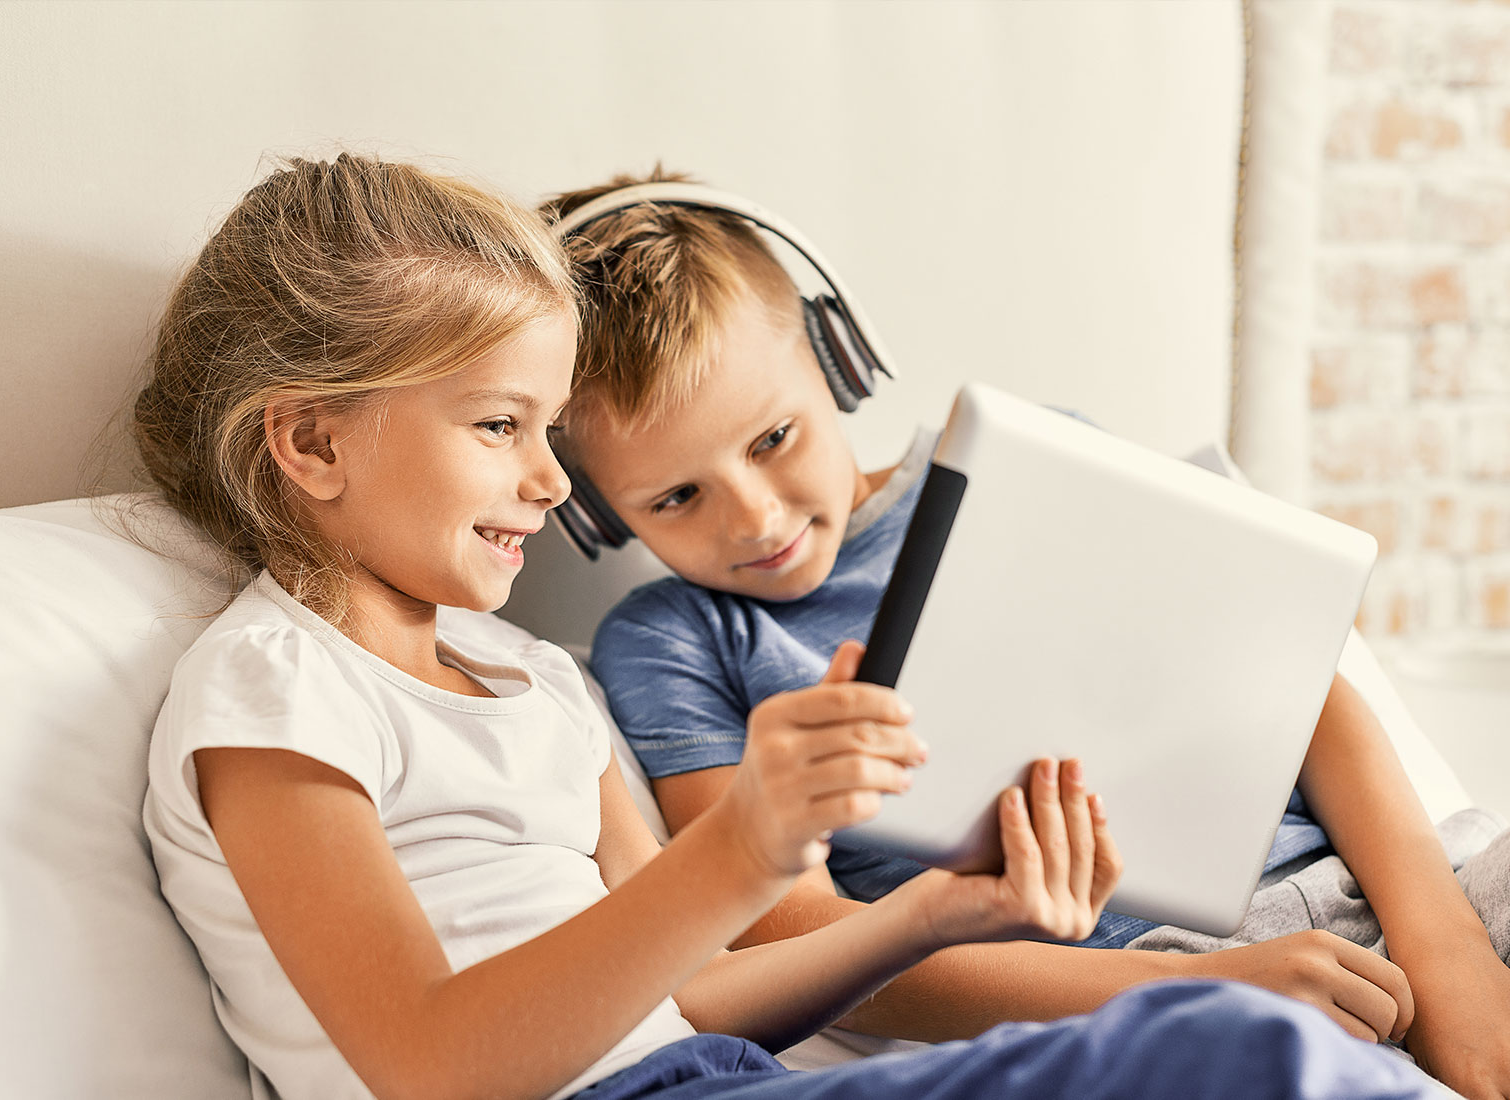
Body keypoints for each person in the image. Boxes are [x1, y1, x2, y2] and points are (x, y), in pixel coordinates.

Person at [129, 153, 1440, 1100]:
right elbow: (430, 1068)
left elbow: (691, 997)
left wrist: (934, 909)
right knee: (1244, 1052)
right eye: (500, 427)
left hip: (710, 1069)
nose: (547, 481)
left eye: (544, 434)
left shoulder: (538, 680)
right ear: (308, 442)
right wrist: (751, 844)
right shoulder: (274, 686)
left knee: (1250, 1057)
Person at [545, 167, 1510, 1099]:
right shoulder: (674, 641)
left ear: (831, 358)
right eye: (676, 496)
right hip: (1149, 976)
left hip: (1418, 882)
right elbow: (784, 929)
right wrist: (1206, 988)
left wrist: (1446, 942)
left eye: (772, 439)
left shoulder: (1039, 465)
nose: (752, 518)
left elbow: (1303, 698)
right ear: (599, 514)